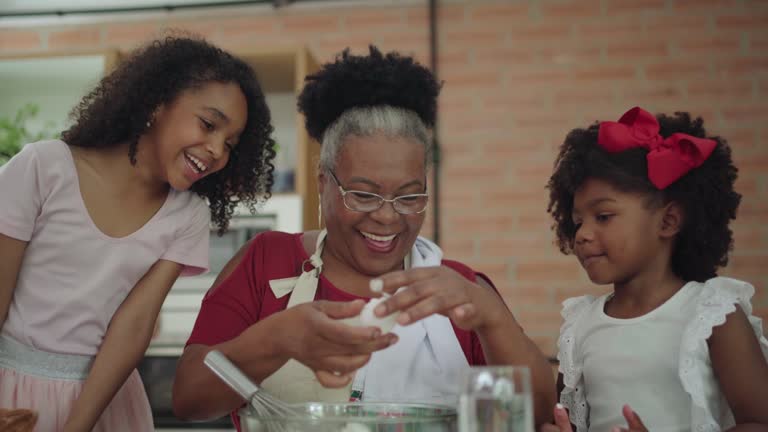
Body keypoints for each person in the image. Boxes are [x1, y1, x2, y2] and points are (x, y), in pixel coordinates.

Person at [172, 45, 556, 429]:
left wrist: (490, 318)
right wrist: (275, 341)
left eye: (409, 196)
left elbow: (533, 417)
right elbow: (190, 398)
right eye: (363, 194)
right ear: (323, 183)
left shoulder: (459, 292)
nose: (388, 216)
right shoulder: (268, 263)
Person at [0, 35, 276, 431]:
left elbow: (133, 327)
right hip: (13, 390)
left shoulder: (187, 214)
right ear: (156, 104)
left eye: (230, 143)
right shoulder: (44, 168)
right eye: (208, 124)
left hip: (105, 401)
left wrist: (77, 426)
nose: (217, 149)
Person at [540, 106, 768, 432]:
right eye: (577, 222)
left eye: (603, 216)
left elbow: (760, 422)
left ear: (668, 221)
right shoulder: (580, 325)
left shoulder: (712, 314)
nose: (583, 234)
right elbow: (571, 419)